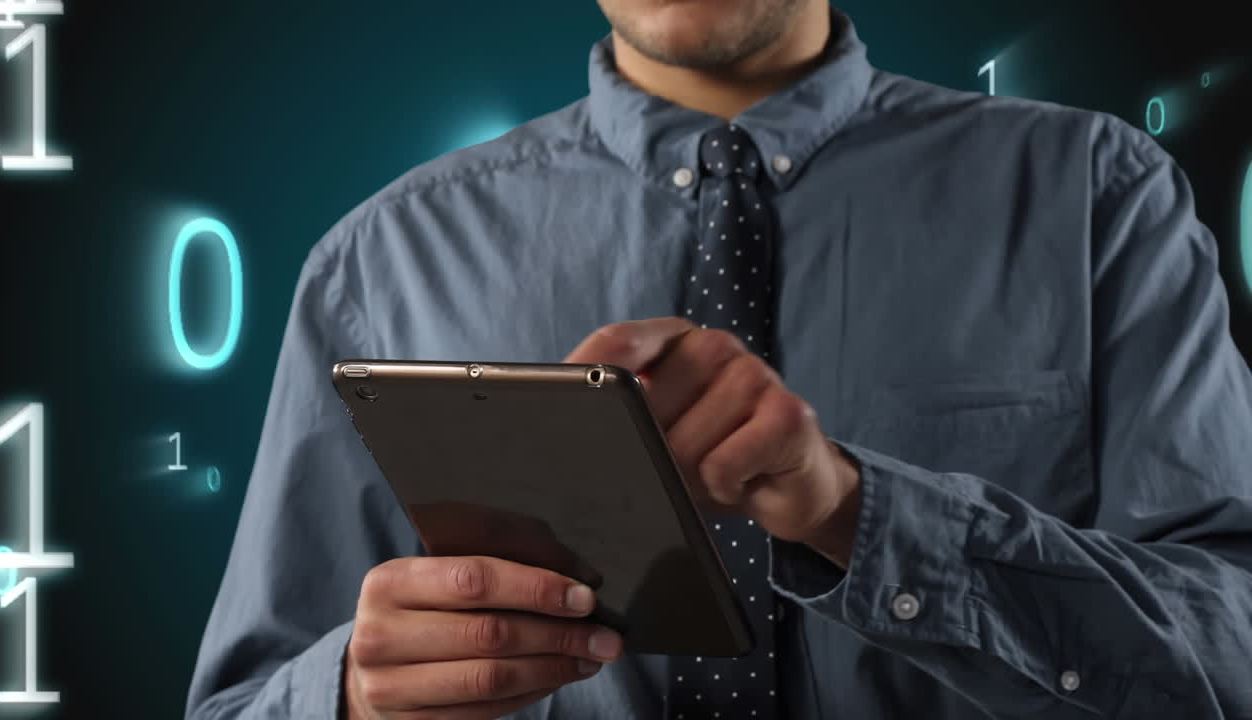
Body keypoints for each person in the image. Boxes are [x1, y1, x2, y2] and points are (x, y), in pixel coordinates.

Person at [185, 1, 1252, 718]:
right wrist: (351, 696)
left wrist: (854, 512)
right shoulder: (380, 257)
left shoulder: (1094, 195)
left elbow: (1231, 654)